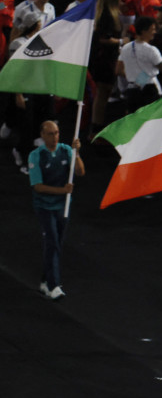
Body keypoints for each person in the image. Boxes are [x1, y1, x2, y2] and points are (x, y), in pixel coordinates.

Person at [29, 121, 84, 301]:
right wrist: (63, 190)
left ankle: (45, 282)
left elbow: (80, 172)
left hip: (63, 205)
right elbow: (38, 187)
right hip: (44, 206)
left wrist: (76, 154)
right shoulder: (35, 156)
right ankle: (54, 286)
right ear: (42, 136)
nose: (55, 137)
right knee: (52, 241)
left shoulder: (66, 150)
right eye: (50, 134)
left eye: (57, 133)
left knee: (55, 244)